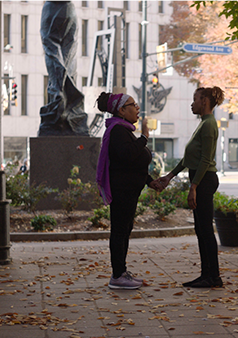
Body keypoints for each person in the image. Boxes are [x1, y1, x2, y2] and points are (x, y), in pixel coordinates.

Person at [157, 87, 225, 288]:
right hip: (200, 178)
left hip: (204, 180)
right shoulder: (203, 124)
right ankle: (207, 275)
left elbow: (206, 159)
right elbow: (190, 158)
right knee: (200, 229)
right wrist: (170, 176)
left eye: (195, 99)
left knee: (205, 230)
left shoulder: (209, 124)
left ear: (204, 101)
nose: (191, 103)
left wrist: (194, 187)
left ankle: (213, 277)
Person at [96, 92, 161, 290]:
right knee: (120, 231)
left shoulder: (122, 130)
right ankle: (117, 275)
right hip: (122, 190)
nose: (138, 108)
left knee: (124, 231)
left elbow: (132, 164)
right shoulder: (117, 131)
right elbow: (129, 155)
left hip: (128, 189)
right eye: (133, 104)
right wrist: (144, 137)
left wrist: (150, 182)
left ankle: (121, 272)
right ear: (122, 110)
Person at [38, 0, 89, 136]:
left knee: (52, 51)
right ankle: (71, 105)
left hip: (53, 8)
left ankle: (59, 97)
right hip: (70, 9)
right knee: (69, 57)